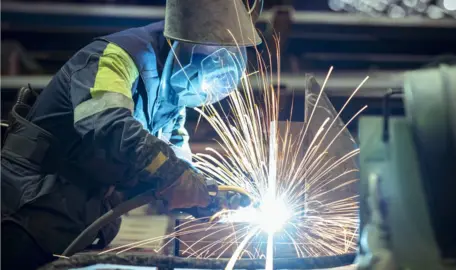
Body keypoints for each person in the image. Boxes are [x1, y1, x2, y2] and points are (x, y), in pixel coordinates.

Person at [1, 1, 262, 269]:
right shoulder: (116, 58)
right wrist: (175, 175)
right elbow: (107, 124)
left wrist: (204, 193)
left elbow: (174, 151)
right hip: (25, 210)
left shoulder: (172, 89)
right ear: (180, 45)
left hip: (78, 222)